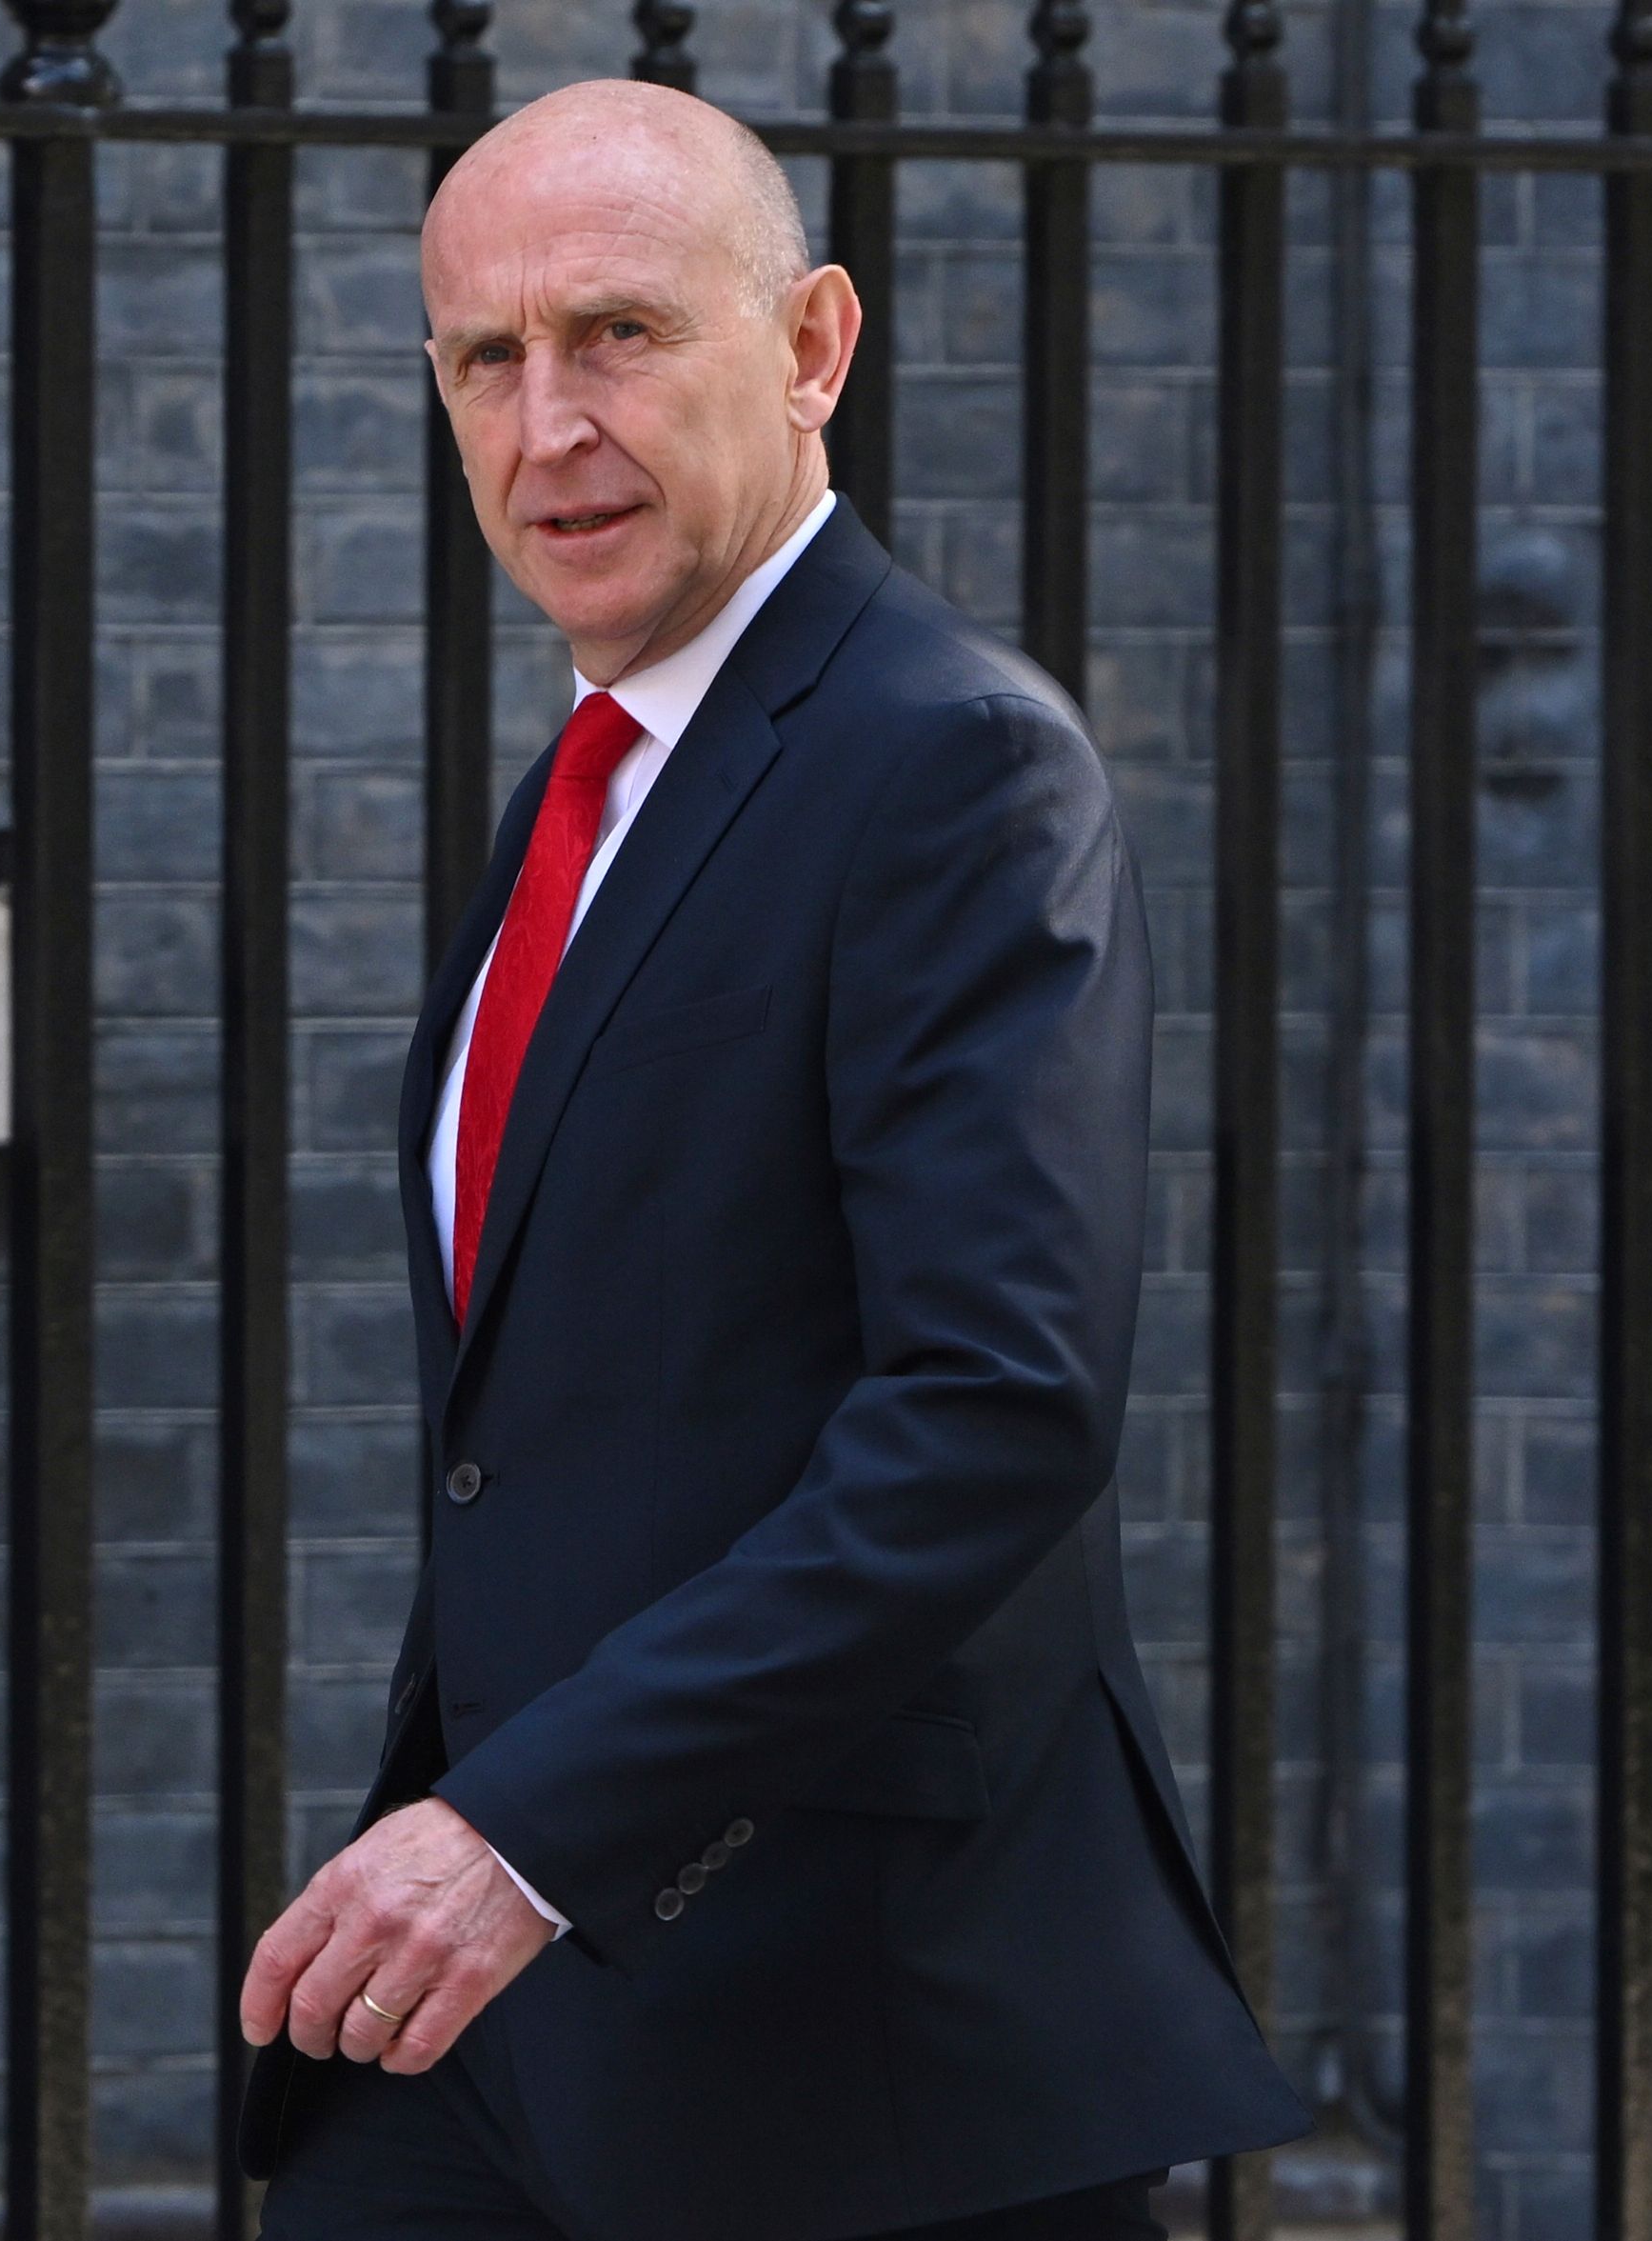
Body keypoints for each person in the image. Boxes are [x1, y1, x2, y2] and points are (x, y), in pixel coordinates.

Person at [233, 77, 1307, 2241]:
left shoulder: (948, 758)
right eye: (486, 358)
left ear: (812, 346)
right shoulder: (603, 777)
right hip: (521, 2018)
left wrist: (526, 1830)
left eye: (617, 333)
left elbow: (991, 1409)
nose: (548, 426)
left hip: (850, 2044)